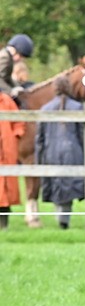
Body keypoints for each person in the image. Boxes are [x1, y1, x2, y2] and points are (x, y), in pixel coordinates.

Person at [36, 77, 85, 229]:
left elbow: (40, 138)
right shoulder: (78, 107)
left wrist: (39, 158)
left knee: (57, 184)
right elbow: (82, 134)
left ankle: (61, 218)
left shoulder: (45, 109)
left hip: (51, 151)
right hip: (73, 151)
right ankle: (64, 219)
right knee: (68, 185)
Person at [0, 88, 22, 229]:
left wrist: (16, 135)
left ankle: (4, 225)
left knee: (7, 190)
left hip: (7, 151)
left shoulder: (6, 101)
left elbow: (18, 121)